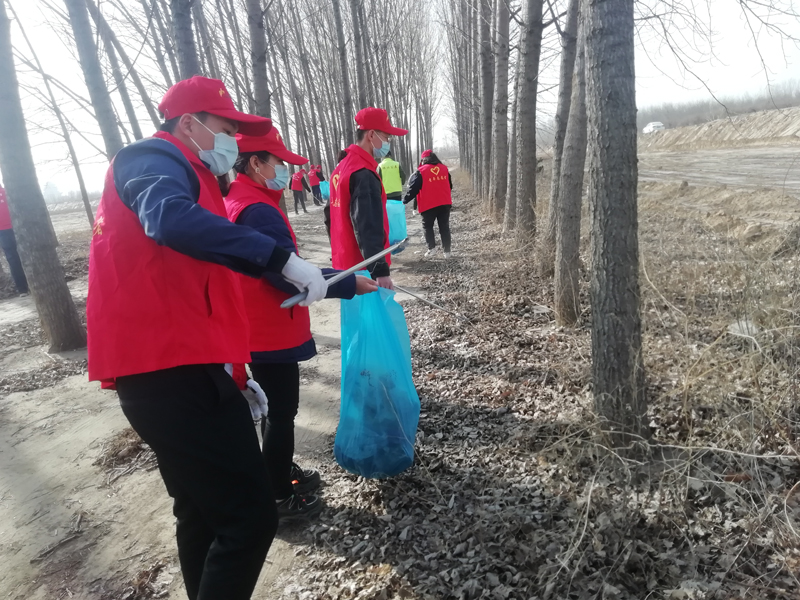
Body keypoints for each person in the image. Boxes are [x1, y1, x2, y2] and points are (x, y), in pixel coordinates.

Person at [86, 76, 328, 600]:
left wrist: (232, 370)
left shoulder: (195, 177)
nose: (233, 142)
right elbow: (169, 219)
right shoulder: (150, 159)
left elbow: (200, 286)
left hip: (183, 369)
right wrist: (281, 258)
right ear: (189, 123)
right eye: (226, 128)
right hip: (170, 373)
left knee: (199, 515)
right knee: (249, 520)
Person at [224, 128, 379, 519]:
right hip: (268, 326)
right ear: (256, 163)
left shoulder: (239, 199)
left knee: (270, 406)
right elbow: (287, 274)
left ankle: (276, 469)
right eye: (278, 163)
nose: (284, 170)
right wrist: (348, 283)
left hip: (253, 323)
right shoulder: (257, 209)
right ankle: (277, 495)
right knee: (281, 411)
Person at [329, 107, 408, 290]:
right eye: (386, 137)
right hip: (364, 270)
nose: (388, 142)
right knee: (371, 310)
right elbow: (368, 224)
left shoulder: (342, 167)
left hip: (346, 265)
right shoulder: (363, 173)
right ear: (371, 135)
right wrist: (379, 270)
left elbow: (329, 215)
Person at [403, 149, 453, 258]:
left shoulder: (421, 171)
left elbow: (413, 189)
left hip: (428, 205)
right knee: (444, 227)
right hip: (444, 203)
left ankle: (432, 249)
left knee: (428, 227)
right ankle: (447, 252)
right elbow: (450, 185)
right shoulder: (444, 168)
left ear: (424, 160)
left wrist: (405, 200)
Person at [0, 185, 28, 295]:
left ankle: (22, 289)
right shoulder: (9, 192)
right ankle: (31, 283)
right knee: (27, 255)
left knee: (13, 260)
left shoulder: (8, 192)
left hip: (3, 232)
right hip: (18, 228)